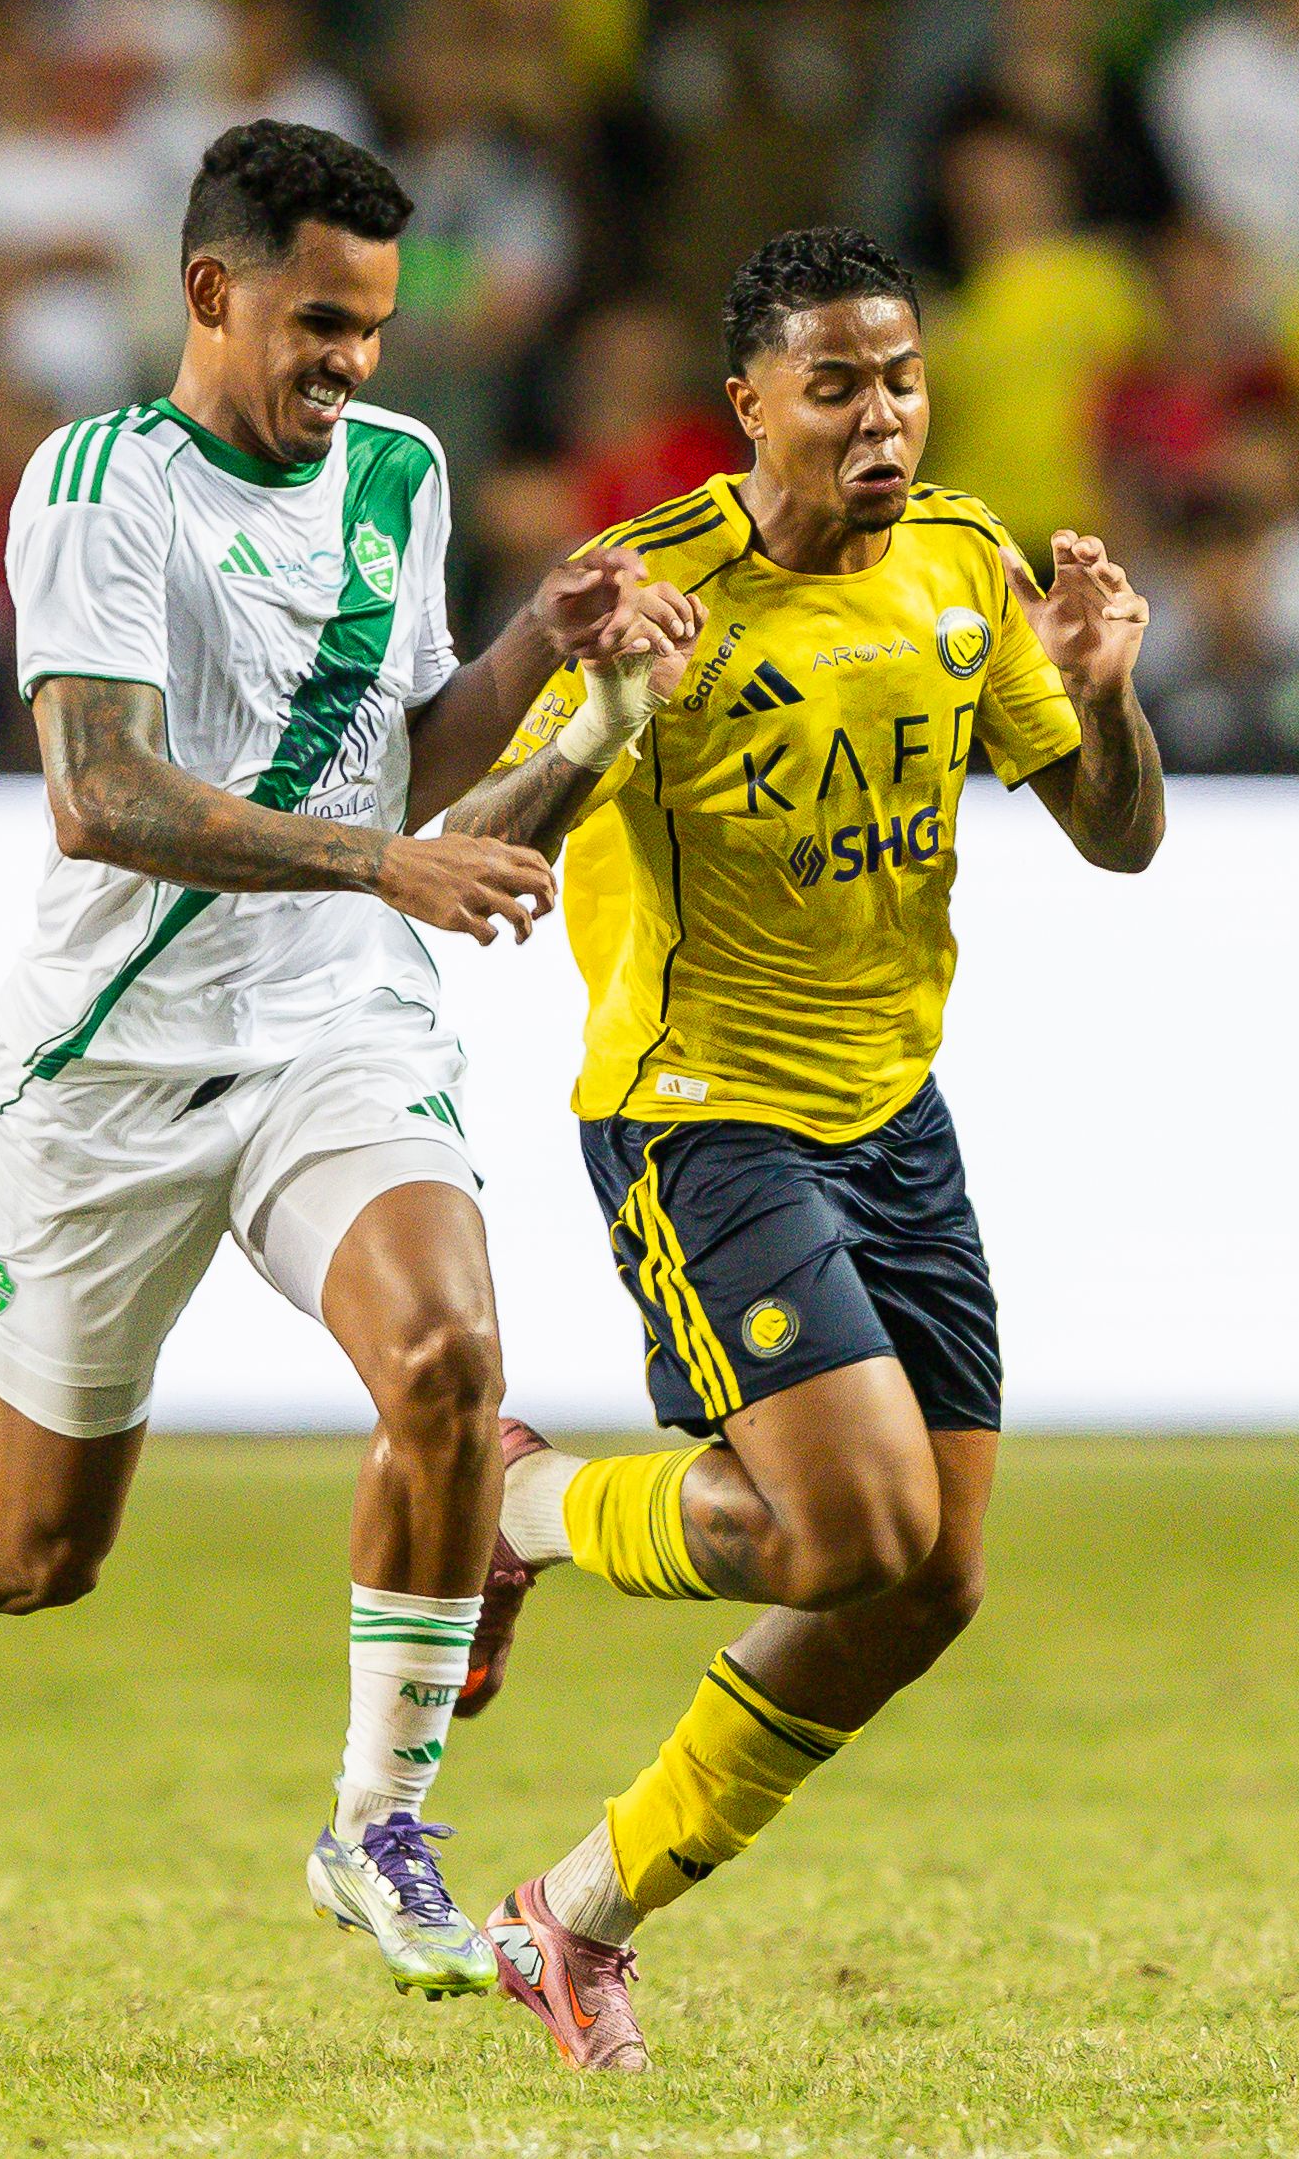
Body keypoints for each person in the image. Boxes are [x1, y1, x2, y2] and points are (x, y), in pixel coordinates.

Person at [0, 123, 700, 2006]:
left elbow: (405, 758)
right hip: (111, 1063)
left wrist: (548, 640)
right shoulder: (100, 486)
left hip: (335, 1027)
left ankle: (378, 1820)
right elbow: (101, 795)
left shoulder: (403, 472)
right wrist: (385, 862)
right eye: (320, 321)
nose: (354, 360)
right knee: (34, 1547)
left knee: (449, 1361)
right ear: (210, 290)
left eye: (374, 325)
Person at [436, 224, 1165, 2072]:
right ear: (749, 404)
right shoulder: (657, 586)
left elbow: (1118, 837)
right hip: (702, 1117)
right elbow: (482, 835)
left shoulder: (964, 561)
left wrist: (1105, 689)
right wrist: (612, 713)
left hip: (894, 1115)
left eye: (902, 380)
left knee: (930, 1584)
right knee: (847, 1529)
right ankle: (519, 1507)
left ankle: (574, 1914)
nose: (881, 418)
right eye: (835, 386)